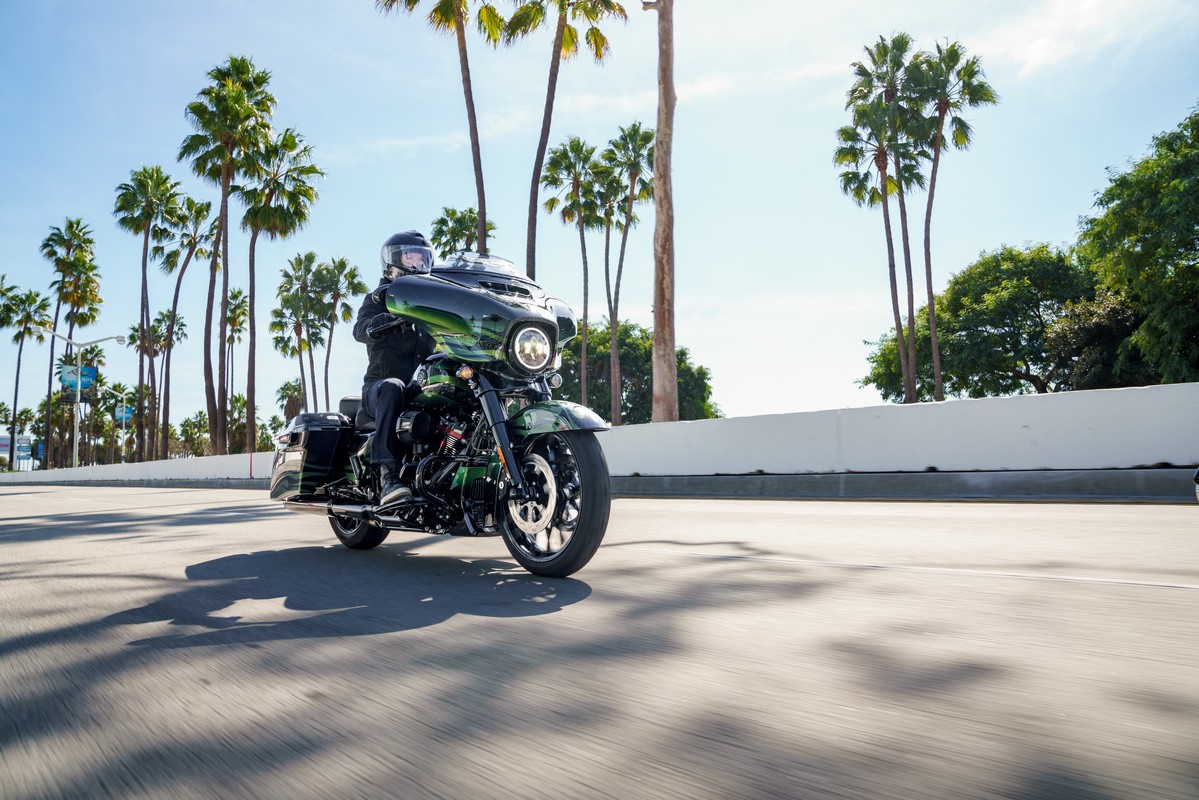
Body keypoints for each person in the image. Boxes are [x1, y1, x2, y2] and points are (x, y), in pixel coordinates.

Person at [352, 230, 437, 504]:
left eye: (421, 258)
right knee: (393, 386)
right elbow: (360, 330)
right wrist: (386, 320)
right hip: (378, 390)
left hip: (417, 389)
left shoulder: (429, 306)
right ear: (393, 262)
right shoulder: (377, 300)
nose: (417, 263)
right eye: (410, 257)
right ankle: (388, 474)